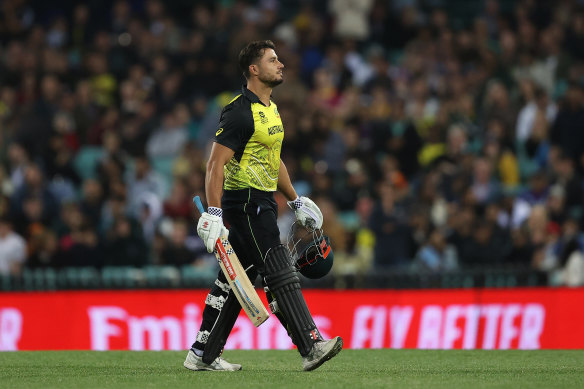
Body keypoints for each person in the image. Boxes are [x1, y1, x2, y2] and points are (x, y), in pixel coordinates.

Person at [184, 40, 343, 372]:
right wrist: (214, 212)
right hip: (246, 204)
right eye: (273, 60)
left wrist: (295, 198)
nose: (281, 64)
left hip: (263, 201)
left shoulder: (270, 109)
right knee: (279, 268)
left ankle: (203, 352)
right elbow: (215, 164)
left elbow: (273, 160)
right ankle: (311, 345)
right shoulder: (240, 110)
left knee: (234, 280)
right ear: (254, 69)